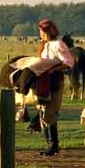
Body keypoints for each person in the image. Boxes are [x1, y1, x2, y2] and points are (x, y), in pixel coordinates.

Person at [34, 18, 74, 156]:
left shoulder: (58, 44)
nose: (39, 33)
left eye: (41, 31)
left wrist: (52, 70)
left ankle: (53, 144)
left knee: (51, 110)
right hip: (43, 81)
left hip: (55, 81)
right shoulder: (45, 45)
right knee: (42, 110)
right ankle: (48, 144)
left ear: (46, 32)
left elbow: (69, 62)